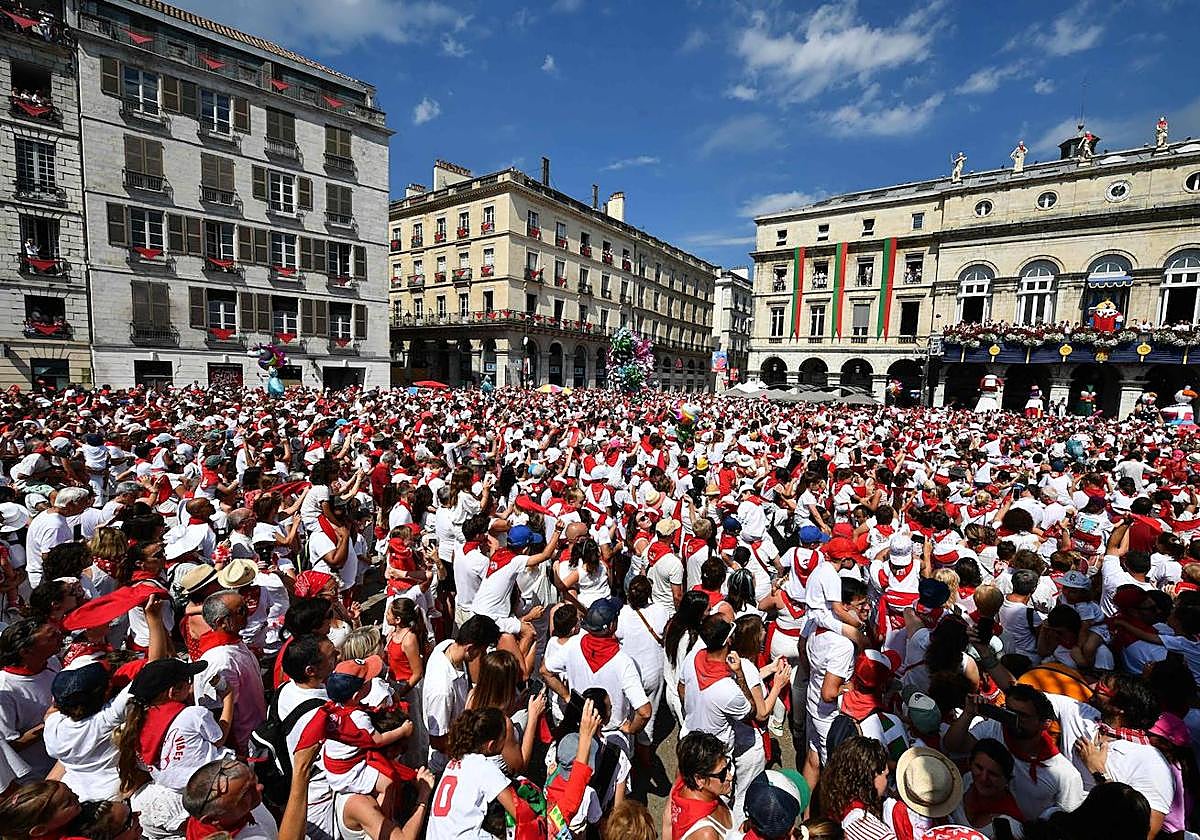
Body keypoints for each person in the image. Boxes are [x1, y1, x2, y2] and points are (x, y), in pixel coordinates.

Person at [423, 614, 499, 773]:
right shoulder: (442, 690)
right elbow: (437, 740)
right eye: (482, 651)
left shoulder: (447, 645)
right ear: (470, 648)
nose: (483, 656)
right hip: (446, 764)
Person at [665, 731, 734, 840]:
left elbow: (668, 822)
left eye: (728, 767)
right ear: (699, 779)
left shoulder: (682, 780)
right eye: (722, 774)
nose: (729, 777)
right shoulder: (705, 834)